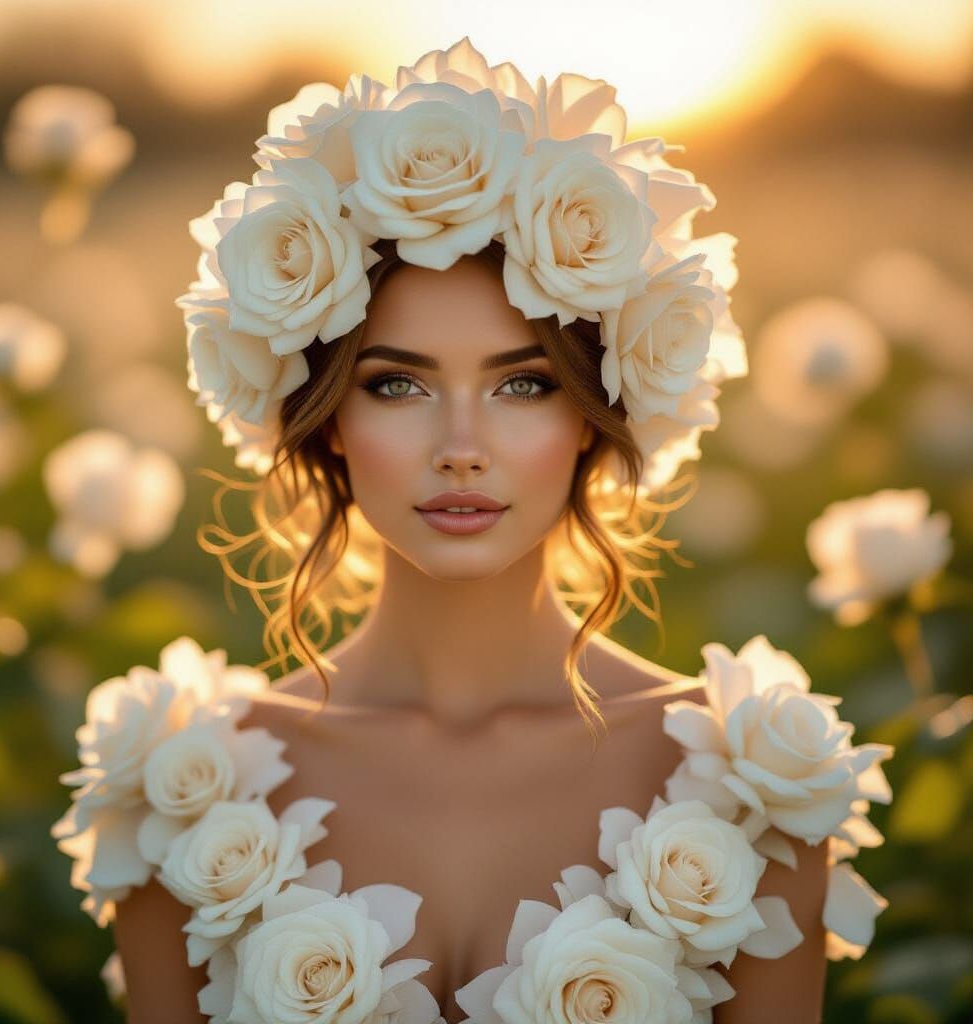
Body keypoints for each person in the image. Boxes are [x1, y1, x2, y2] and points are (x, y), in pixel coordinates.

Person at [52, 37, 893, 1024]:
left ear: (593, 411)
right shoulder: (184, 791)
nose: (461, 445)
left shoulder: (753, 785)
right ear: (325, 415)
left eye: (522, 383)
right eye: (398, 384)